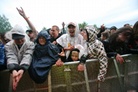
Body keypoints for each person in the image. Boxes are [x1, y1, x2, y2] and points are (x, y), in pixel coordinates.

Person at [5, 25, 34, 91]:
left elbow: (28, 56)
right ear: (13, 38)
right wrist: (13, 70)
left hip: (27, 69)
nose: (20, 41)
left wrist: (22, 68)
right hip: (14, 71)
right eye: (17, 39)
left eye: (21, 38)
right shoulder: (8, 46)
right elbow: (10, 57)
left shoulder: (30, 44)